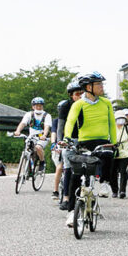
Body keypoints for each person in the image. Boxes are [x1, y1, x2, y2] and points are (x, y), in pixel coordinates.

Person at [62, 71, 118, 227]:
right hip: (84, 142)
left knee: (108, 154)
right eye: (99, 84)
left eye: (101, 84)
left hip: (102, 141)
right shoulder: (78, 103)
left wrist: (113, 143)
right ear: (88, 87)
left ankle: (105, 183)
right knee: (76, 175)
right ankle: (72, 212)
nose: (102, 87)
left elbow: (112, 125)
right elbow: (70, 122)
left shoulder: (106, 103)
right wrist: (67, 138)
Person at [53, 78, 83, 207]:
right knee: (68, 167)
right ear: (71, 95)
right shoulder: (66, 106)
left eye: (82, 93)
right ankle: (66, 198)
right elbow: (61, 125)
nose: (80, 96)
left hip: (84, 139)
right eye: (77, 94)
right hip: (69, 139)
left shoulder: (86, 105)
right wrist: (60, 142)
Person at [14, 97, 52, 164]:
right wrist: (18, 131)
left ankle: (42, 162)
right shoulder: (29, 114)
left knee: (38, 147)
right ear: (33, 107)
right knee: (27, 147)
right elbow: (23, 123)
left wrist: (44, 135)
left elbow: (47, 127)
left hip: (42, 137)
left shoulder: (47, 116)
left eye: (40, 105)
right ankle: (28, 166)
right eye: (36, 105)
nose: (38, 107)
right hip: (32, 136)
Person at [110, 109, 128, 199]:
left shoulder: (127, 128)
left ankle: (122, 191)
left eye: (122, 118)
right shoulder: (111, 128)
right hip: (113, 153)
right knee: (112, 173)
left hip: (124, 153)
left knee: (123, 172)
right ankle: (114, 190)